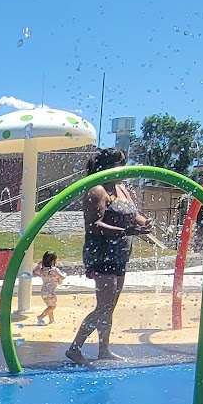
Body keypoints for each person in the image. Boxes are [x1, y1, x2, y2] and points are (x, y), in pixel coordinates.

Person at [66, 148, 152, 366]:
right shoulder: (97, 190)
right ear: (106, 167)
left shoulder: (121, 189)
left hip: (120, 253)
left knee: (110, 306)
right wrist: (125, 231)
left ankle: (104, 349)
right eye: (119, 164)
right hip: (101, 254)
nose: (124, 168)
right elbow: (93, 225)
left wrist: (144, 222)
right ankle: (75, 349)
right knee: (103, 306)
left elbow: (134, 213)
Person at [34, 249, 64, 325]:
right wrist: (64, 274)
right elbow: (62, 277)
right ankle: (40, 317)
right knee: (53, 306)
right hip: (51, 292)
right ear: (53, 261)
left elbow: (36, 271)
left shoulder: (42, 270)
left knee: (49, 306)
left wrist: (39, 264)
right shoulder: (54, 270)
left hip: (43, 292)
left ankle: (51, 320)